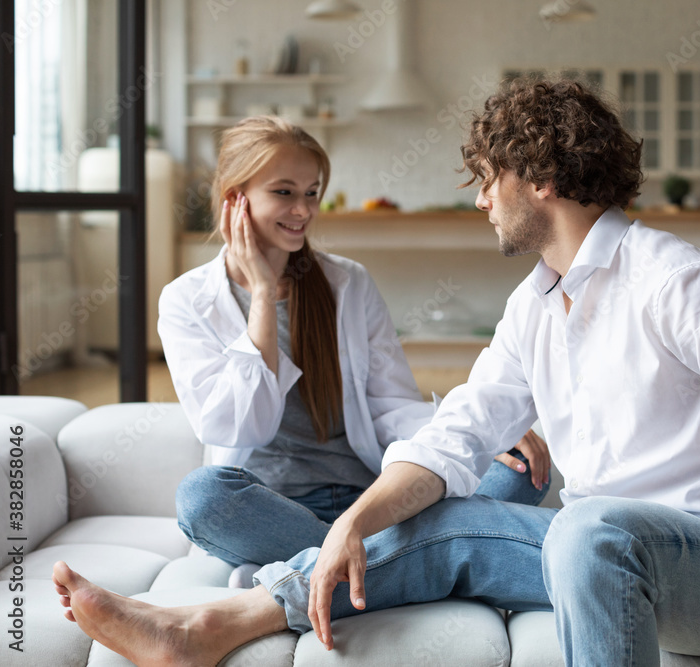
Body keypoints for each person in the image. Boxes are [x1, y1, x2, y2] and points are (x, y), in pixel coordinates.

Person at [54, 81, 700, 667]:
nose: (480, 202)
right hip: (605, 558)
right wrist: (355, 521)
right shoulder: (535, 304)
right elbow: (456, 433)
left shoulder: (670, 274)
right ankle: (206, 628)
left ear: (539, 179)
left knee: (588, 526)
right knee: (450, 522)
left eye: (488, 180)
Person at [159, 116, 550, 575]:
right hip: (271, 505)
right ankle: (396, 561)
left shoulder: (348, 283)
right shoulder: (186, 300)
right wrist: (262, 294)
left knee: (521, 468)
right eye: (284, 192)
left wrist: (479, 428)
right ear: (235, 199)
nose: (302, 210)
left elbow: (392, 407)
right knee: (201, 498)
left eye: (311, 192)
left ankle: (344, 564)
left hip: (369, 500)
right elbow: (243, 429)